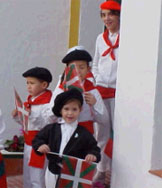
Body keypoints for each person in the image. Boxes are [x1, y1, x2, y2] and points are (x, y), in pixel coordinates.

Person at [32, 88, 101, 188]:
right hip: (53, 170)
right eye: (66, 109)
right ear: (61, 110)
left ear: (80, 110)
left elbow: (94, 148)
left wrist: (92, 155)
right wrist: (41, 145)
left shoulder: (84, 133)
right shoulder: (52, 129)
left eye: (74, 109)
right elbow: (37, 139)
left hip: (72, 174)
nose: (70, 113)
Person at [91, 0, 121, 185]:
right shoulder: (99, 39)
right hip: (101, 91)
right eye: (103, 15)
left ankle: (117, 173)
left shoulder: (126, 37)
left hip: (119, 92)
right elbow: (95, 63)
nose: (107, 18)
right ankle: (101, 170)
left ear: (118, 15)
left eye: (110, 14)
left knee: (119, 133)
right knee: (100, 133)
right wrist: (96, 79)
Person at [50, 45, 109, 135]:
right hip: (64, 133)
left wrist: (94, 104)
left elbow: (104, 120)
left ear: (88, 69)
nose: (77, 71)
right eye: (73, 68)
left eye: (81, 67)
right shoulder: (61, 89)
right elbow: (49, 116)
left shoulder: (92, 91)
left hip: (85, 135)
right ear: (66, 69)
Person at [12, 67, 54, 188]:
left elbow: (47, 123)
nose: (28, 87)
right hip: (28, 143)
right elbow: (26, 124)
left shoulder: (48, 103)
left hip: (40, 145)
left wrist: (31, 114)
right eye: (27, 83)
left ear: (44, 84)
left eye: (32, 83)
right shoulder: (30, 101)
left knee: (38, 176)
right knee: (28, 175)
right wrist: (17, 116)